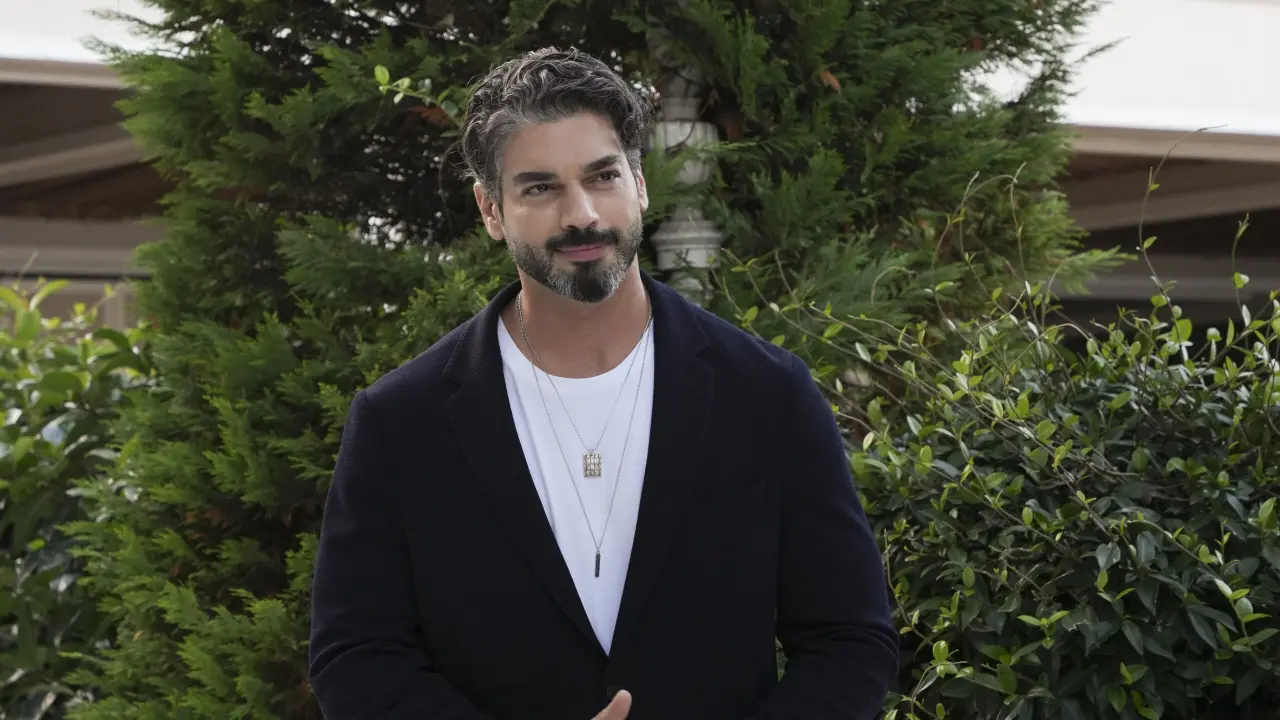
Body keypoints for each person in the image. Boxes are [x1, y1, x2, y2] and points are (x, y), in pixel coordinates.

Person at [308, 46, 898, 720]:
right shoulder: (400, 422)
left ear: (639, 183)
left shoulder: (767, 393)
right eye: (540, 188)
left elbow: (850, 642)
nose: (582, 214)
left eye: (603, 176)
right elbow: (356, 656)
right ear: (490, 210)